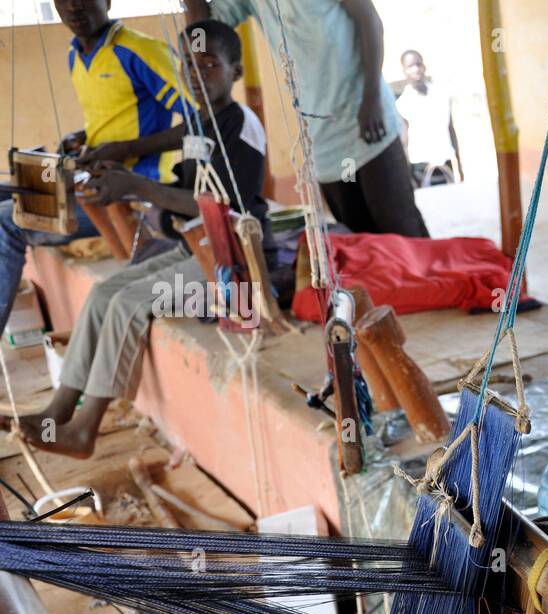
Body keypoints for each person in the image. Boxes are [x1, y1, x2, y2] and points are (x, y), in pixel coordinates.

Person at [3, 20, 267, 459]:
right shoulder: (202, 121)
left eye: (209, 64)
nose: (196, 74)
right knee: (106, 291)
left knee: (129, 303)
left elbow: (217, 207)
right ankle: (58, 411)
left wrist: (137, 187)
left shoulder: (239, 126)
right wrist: (121, 160)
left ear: (235, 72)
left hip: (234, 268)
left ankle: (85, 429)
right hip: (196, 248)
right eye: (187, 64)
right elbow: (177, 165)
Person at [0, 0, 191, 333]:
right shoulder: (77, 55)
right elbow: (116, 117)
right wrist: (83, 137)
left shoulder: (139, 51)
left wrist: (127, 149)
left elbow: (203, 120)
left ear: (107, 1)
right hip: (94, 183)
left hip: (135, 194)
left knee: (5, 222)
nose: (74, 6)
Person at [183, 0, 429, 237]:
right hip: (324, 143)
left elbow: (369, 20)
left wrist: (372, 98)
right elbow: (201, 38)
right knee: (362, 239)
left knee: (402, 231)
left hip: (367, 122)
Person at [396, 49, 459, 187]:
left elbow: (451, 129)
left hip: (445, 163)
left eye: (418, 64)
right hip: (420, 167)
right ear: (404, 71)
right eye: (410, 66)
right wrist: (408, 178)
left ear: (424, 66)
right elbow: (404, 142)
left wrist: (460, 167)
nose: (416, 69)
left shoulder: (441, 94)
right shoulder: (402, 104)